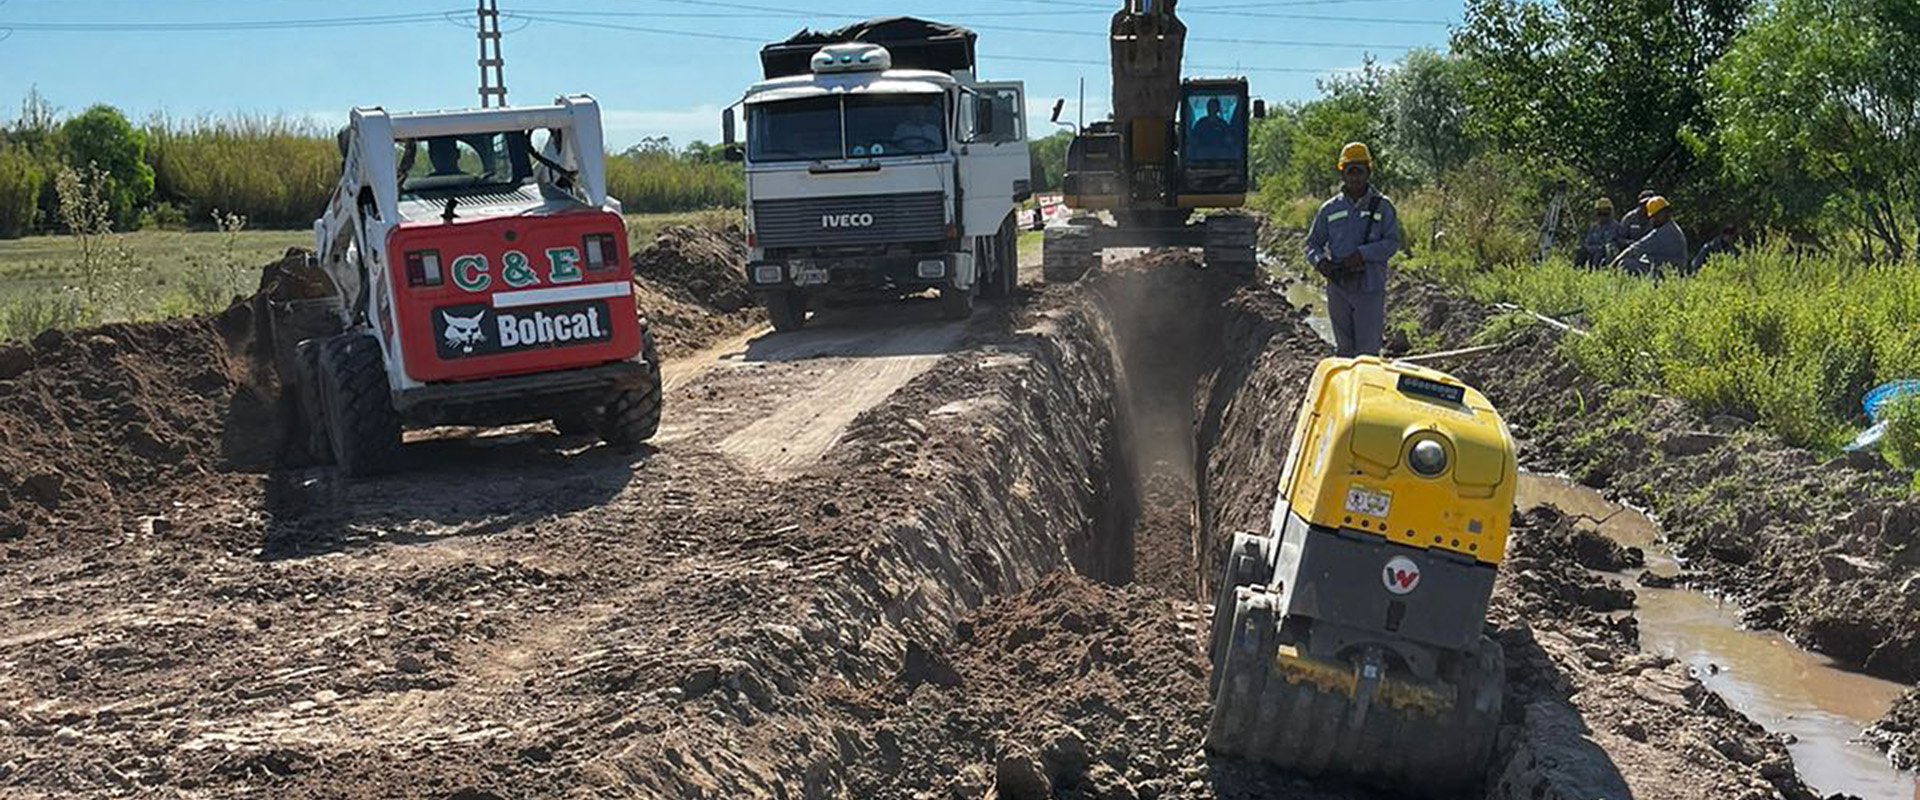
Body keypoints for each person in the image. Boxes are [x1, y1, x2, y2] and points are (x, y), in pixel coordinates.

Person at [1304, 142, 1402, 357]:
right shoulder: (1329, 209)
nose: (1355, 177)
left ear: (1368, 172)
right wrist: (1321, 262)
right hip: (1339, 289)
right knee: (1344, 351)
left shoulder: (1383, 206)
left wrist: (1362, 255)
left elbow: (1392, 243)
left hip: (1369, 288)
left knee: (1367, 353)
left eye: (1360, 171)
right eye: (1350, 171)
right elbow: (1311, 244)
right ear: (1343, 174)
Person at [1611, 195, 1688, 277]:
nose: (1653, 220)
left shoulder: (1665, 232)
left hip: (1665, 272)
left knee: (1625, 264)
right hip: (1668, 269)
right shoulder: (1670, 227)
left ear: (1665, 213)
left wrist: (1613, 264)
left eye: (1655, 216)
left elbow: (1635, 248)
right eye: (1652, 217)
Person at [1575, 198, 1620, 269]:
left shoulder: (1615, 226)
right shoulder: (1593, 227)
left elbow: (1610, 243)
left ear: (1610, 213)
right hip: (1593, 249)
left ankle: (1595, 271)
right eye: (1600, 214)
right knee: (1581, 250)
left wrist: (1597, 248)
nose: (1602, 217)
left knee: (1599, 253)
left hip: (1605, 251)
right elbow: (1588, 242)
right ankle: (1578, 271)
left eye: (1605, 214)